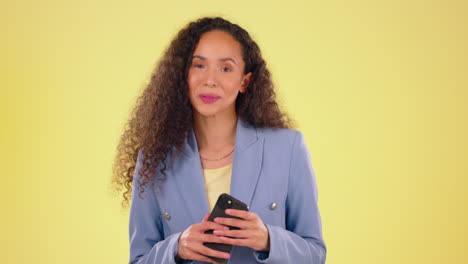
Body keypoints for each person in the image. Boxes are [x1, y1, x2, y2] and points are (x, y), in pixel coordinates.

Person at [112, 16, 326, 264]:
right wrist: (176, 247)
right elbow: (138, 259)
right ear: (183, 75)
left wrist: (268, 239)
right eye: (199, 66)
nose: (210, 80)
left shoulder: (287, 148)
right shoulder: (154, 158)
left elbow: (315, 254)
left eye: (225, 68)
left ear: (245, 81)